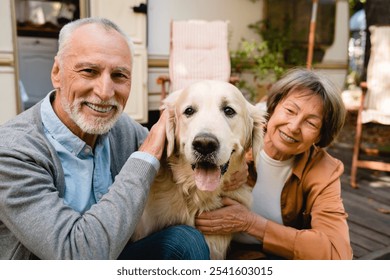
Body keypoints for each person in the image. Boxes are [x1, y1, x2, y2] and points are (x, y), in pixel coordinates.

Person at [0, 17, 210, 260]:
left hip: (116, 255)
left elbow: (181, 159)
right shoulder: (11, 152)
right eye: (89, 71)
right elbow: (77, 256)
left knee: (184, 241)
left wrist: (235, 170)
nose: (105, 92)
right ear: (57, 73)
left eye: (119, 75)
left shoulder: (120, 128)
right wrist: (146, 155)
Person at [195, 68, 354, 260]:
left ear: (320, 135)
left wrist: (251, 224)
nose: (294, 127)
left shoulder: (324, 170)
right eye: (290, 110)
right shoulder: (236, 137)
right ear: (274, 106)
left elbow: (337, 253)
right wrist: (239, 161)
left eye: (310, 123)